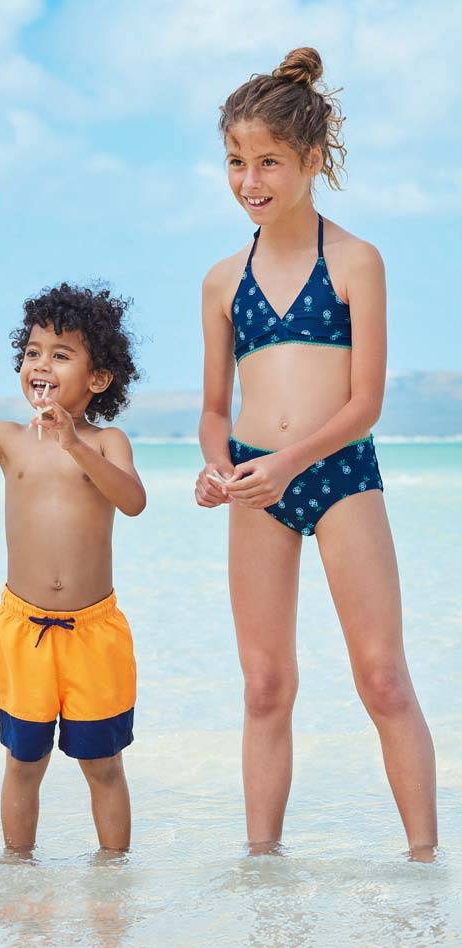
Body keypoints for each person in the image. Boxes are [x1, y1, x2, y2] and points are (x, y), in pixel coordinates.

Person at [195, 47, 437, 858]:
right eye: (236, 161)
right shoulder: (223, 281)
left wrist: (289, 462)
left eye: (267, 161)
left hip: (337, 475)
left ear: (311, 159)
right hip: (253, 483)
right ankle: (262, 875)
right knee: (265, 687)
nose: (249, 180)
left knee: (383, 679)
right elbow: (214, 409)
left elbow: (365, 403)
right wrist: (218, 467)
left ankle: (425, 869)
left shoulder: (356, 261)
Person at [0, 282, 146, 854]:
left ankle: (113, 883)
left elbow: (133, 500)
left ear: (98, 378)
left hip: (94, 632)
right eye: (33, 351)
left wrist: (73, 444)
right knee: (24, 761)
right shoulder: (5, 439)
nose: (41, 364)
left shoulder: (106, 441)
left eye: (61, 355)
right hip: (23, 629)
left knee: (104, 764)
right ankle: (18, 876)